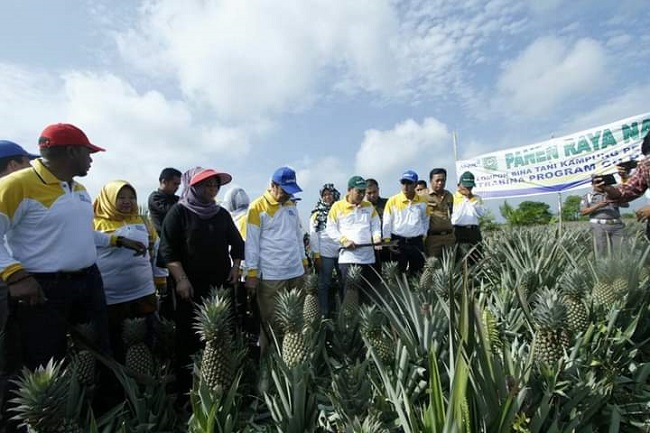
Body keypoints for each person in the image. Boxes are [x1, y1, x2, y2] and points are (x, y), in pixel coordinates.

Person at [0, 124, 144, 427]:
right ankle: (39, 423)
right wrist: (14, 276)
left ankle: (101, 415)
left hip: (88, 282)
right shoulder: (18, 184)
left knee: (98, 350)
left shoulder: (77, 189)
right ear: (71, 152)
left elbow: (82, 233)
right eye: (88, 153)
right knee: (42, 362)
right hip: (42, 287)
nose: (92, 160)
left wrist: (117, 240)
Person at [159, 167, 244, 399]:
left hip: (219, 286)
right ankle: (190, 390)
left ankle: (222, 386)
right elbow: (167, 251)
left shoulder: (221, 213)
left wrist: (236, 268)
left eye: (215, 185)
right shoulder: (178, 213)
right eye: (207, 185)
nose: (212, 190)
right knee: (190, 335)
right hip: (190, 287)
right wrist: (181, 280)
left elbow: (237, 244)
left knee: (220, 333)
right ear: (193, 186)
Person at [93, 180, 165, 361]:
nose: (127, 201)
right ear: (108, 199)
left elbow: (156, 249)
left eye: (131, 197)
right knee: (115, 344)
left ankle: (145, 385)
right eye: (121, 197)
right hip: (111, 298)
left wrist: (160, 278)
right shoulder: (95, 224)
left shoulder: (142, 221)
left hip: (144, 294)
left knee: (147, 342)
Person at [244, 167, 307, 356]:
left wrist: (304, 263)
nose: (287, 195)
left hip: (295, 272)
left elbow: (298, 236)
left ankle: (294, 359)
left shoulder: (291, 206)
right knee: (272, 324)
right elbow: (252, 245)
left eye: (290, 191)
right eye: (284, 191)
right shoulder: (257, 208)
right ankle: (269, 367)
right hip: (271, 276)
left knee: (296, 321)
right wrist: (252, 274)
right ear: (272, 185)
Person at [0, 141, 39, 329]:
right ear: (13, 166)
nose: (31, 168)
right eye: (26, 163)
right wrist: (16, 276)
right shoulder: (7, 195)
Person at [326, 176, 382, 302]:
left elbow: (375, 225)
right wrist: (344, 241)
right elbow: (330, 229)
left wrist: (377, 237)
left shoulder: (369, 207)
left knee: (368, 295)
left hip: (368, 258)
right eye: (358, 191)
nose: (362, 195)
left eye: (363, 191)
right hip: (348, 258)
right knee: (349, 295)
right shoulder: (337, 207)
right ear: (349, 190)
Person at [382, 170, 430, 276]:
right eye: (403, 183)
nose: (405, 186)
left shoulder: (423, 201)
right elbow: (387, 222)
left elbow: (426, 219)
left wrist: (424, 235)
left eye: (409, 183)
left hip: (416, 242)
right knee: (398, 274)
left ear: (416, 184)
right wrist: (387, 240)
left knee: (417, 274)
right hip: (398, 242)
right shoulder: (392, 200)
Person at [309, 184, 341, 316]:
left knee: (345, 281)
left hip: (342, 250)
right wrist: (317, 255)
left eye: (330, 194)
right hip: (325, 252)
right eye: (325, 195)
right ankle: (324, 313)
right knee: (324, 284)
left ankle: (343, 310)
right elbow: (314, 235)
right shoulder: (317, 214)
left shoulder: (341, 210)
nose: (327, 197)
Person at [580, 175, 627, 256]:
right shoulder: (588, 196)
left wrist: (615, 197)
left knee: (621, 251)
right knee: (602, 250)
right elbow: (583, 212)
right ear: (593, 184)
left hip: (616, 225)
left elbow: (626, 205)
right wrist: (599, 205)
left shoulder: (612, 193)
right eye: (597, 182)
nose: (600, 185)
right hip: (599, 226)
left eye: (602, 182)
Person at [451, 171, 486, 266]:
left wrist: (470, 199)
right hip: (459, 231)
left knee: (477, 258)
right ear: (459, 185)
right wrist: (464, 199)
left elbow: (481, 213)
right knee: (462, 260)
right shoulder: (453, 198)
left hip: (474, 231)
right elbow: (455, 218)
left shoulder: (477, 198)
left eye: (470, 187)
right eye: (466, 186)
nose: (468, 189)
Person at [424, 168, 455, 259]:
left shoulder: (449, 195)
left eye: (443, 180)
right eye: (437, 180)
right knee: (432, 266)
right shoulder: (423, 196)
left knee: (451, 267)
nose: (440, 183)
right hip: (433, 238)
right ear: (430, 181)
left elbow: (451, 212)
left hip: (449, 237)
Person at [148, 167, 182, 235]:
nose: (177, 187)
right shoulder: (155, 198)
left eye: (178, 184)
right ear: (164, 182)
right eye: (175, 184)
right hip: (163, 240)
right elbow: (172, 211)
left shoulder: (177, 199)